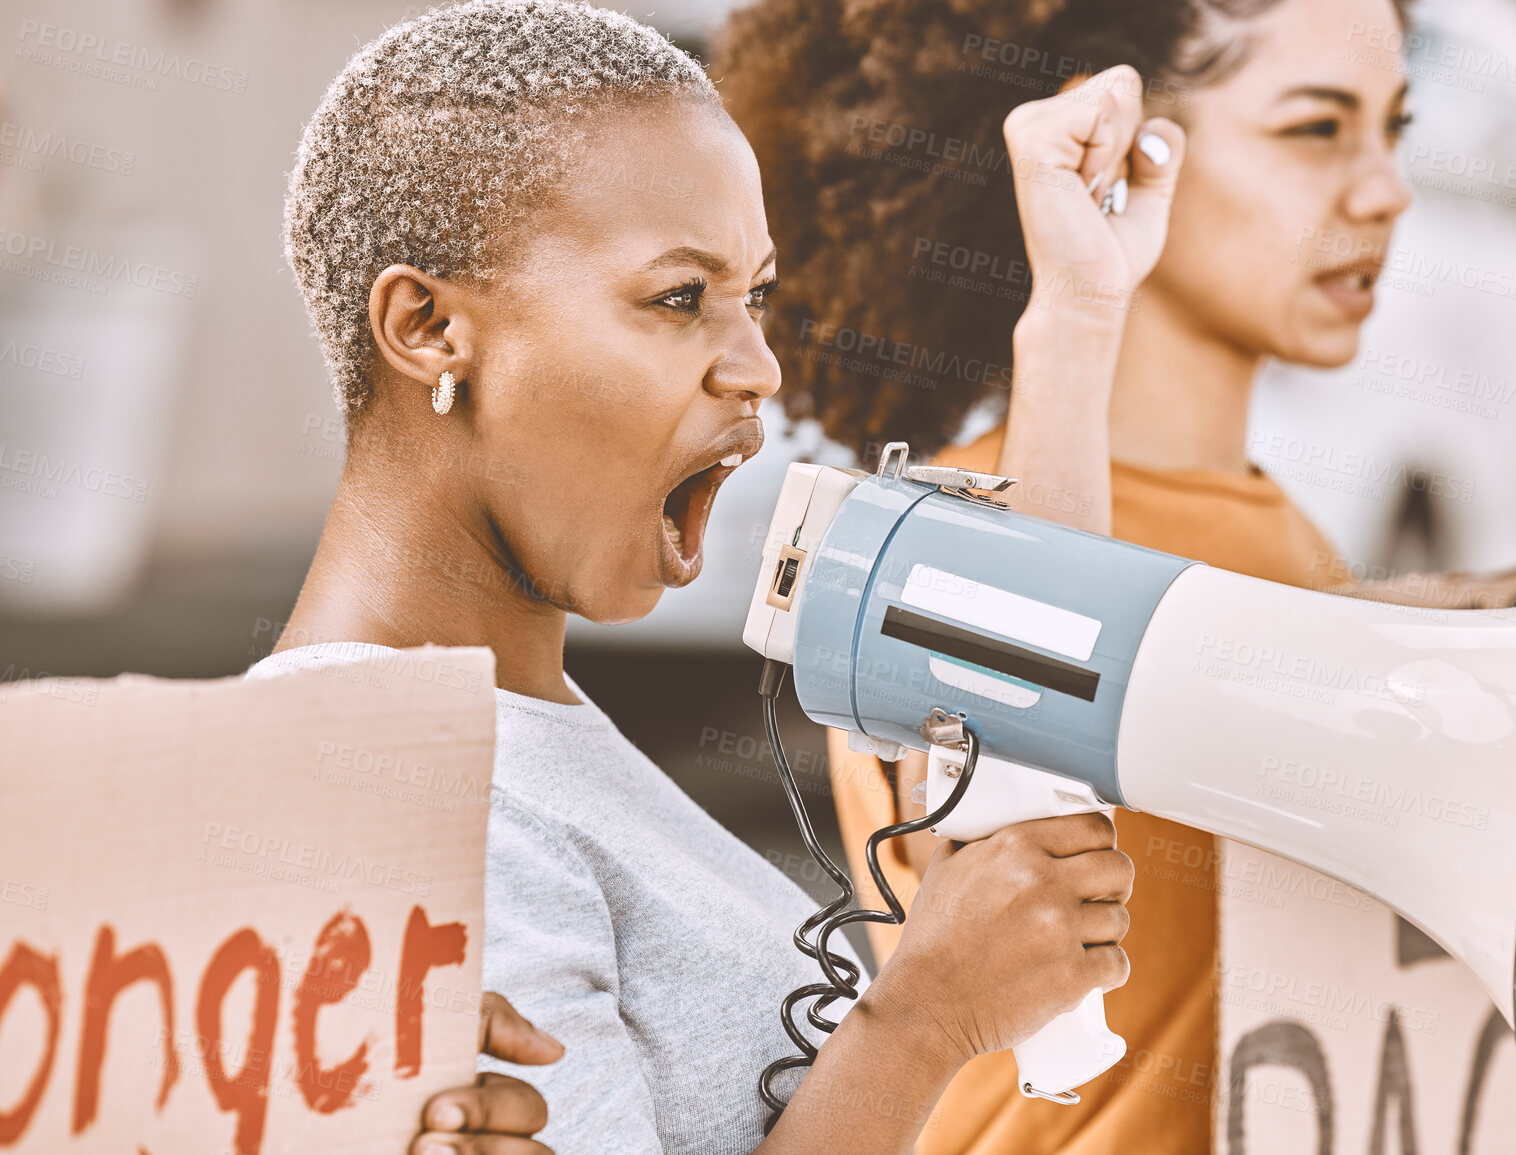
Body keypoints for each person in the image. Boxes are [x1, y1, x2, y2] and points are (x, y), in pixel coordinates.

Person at [718, 0, 1516, 1150]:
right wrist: (1075, 306)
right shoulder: (938, 539)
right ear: (1120, 154)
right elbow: (1005, 815)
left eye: (1394, 126)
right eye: (1316, 130)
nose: (1386, 191)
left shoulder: (1279, 524)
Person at [247, 2, 1136, 1152]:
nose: (757, 365)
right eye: (679, 298)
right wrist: (917, 1021)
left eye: (754, 297)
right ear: (427, 327)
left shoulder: (513, 737)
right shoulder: (383, 790)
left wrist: (1077, 308)